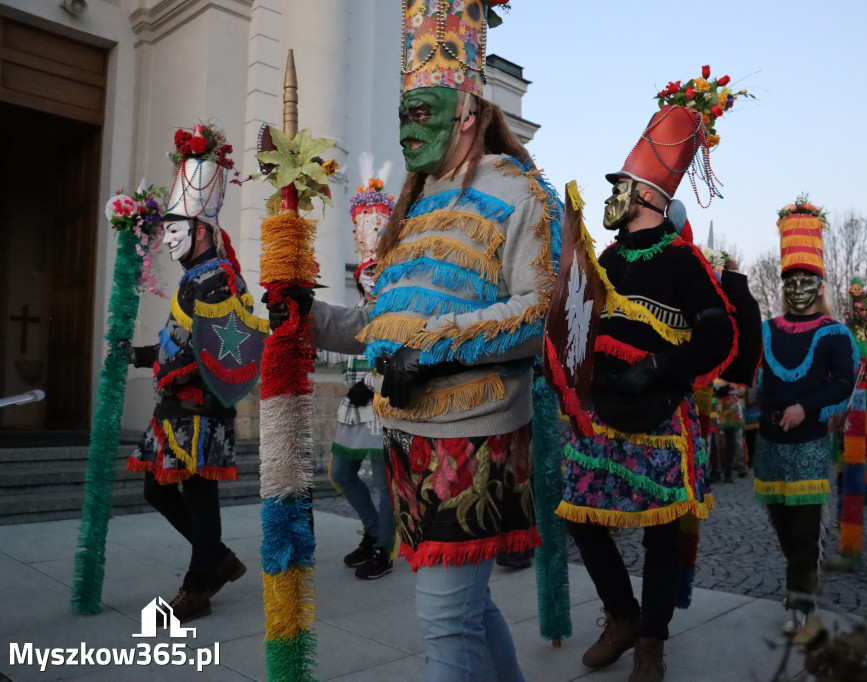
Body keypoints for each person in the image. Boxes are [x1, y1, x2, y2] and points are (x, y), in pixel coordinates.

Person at [271, 4, 560, 679]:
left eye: (422, 113)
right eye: (403, 117)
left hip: (474, 441)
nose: (408, 131)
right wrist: (308, 315)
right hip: (407, 442)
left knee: (443, 623)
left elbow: (534, 317)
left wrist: (430, 349)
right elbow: (382, 324)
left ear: (467, 110)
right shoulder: (415, 205)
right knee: (469, 609)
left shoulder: (523, 193)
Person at [556, 89, 739, 682]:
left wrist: (656, 369)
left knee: (662, 534)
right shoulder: (604, 260)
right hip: (602, 417)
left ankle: (652, 641)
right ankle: (622, 616)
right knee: (578, 514)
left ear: (644, 196)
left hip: (659, 419)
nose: (612, 198)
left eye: (619, 188)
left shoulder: (686, 264)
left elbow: (718, 341)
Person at [126, 124, 262, 622]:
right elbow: (178, 341)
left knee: (196, 494)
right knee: (158, 489)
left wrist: (162, 366)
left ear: (201, 230)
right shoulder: (194, 278)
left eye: (177, 230)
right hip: (176, 405)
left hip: (199, 407)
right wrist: (138, 355)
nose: (170, 241)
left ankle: (199, 585)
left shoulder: (220, 278)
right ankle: (217, 560)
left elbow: (211, 349)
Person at [755, 197, 857, 635]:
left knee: (803, 527)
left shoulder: (835, 332)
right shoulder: (768, 329)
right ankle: (801, 578)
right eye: (791, 280)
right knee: (781, 521)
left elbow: (843, 384)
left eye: (806, 280)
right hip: (770, 442)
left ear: (819, 286)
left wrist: (805, 407)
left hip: (810, 441)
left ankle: (800, 600)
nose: (798, 288)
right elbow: (755, 372)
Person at [330, 166, 396, 580]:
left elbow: (397, 357)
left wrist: (368, 385)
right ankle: (372, 531)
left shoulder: (395, 311)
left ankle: (385, 547)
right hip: (352, 409)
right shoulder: (355, 312)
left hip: (384, 406)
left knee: (385, 482)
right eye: (365, 272)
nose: (371, 278)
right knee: (341, 474)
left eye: (378, 271)